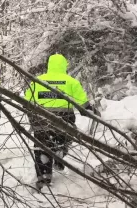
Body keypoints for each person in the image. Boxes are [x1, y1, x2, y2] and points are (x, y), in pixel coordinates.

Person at [24, 53, 98, 185]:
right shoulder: (71, 82)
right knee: (62, 141)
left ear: (49, 65)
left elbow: (27, 100)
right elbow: (83, 104)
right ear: (64, 65)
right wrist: (91, 111)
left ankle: (44, 178)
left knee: (41, 147)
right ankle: (59, 153)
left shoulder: (37, 80)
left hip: (41, 121)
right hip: (64, 121)